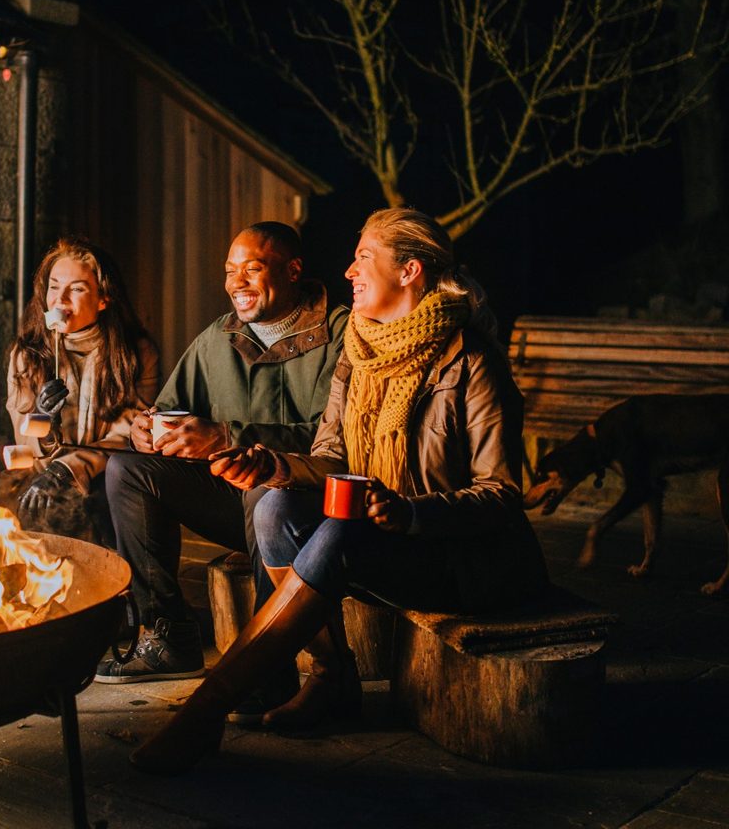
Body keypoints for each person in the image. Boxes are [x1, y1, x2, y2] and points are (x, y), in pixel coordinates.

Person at [131, 207, 550, 774]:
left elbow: (501, 493)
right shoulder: (358, 355)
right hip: (383, 536)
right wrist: (272, 465)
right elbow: (331, 458)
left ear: (409, 272)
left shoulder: (471, 362)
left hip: (461, 557)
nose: (349, 271)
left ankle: (206, 710)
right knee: (273, 502)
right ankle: (331, 674)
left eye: (364, 258)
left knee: (340, 533)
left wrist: (410, 513)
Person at [95, 221, 349, 706]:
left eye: (252, 268)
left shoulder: (340, 334)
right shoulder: (221, 336)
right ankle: (167, 634)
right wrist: (147, 431)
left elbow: (334, 441)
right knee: (127, 471)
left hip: (303, 511)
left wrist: (226, 437)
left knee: (263, 485)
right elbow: (169, 408)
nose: (237, 282)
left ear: (293, 270)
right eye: (230, 271)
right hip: (232, 501)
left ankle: (265, 665)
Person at [6, 237, 160, 546]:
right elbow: (25, 441)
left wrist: (71, 468)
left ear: (103, 299)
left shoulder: (136, 353)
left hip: (107, 472)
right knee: (31, 505)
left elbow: (129, 434)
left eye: (76, 289)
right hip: (43, 469)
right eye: (53, 286)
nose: (60, 299)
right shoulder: (27, 355)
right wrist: (43, 422)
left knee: (107, 501)